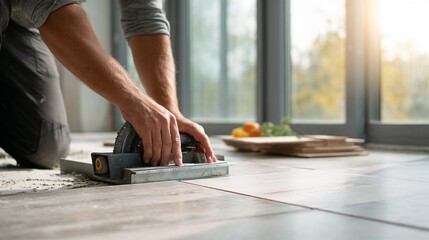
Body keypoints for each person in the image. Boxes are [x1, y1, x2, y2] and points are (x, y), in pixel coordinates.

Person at [0, 0, 217, 169]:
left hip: (18, 25)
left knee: (45, 147)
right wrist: (133, 100)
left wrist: (169, 112)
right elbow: (52, 6)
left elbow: (146, 16)